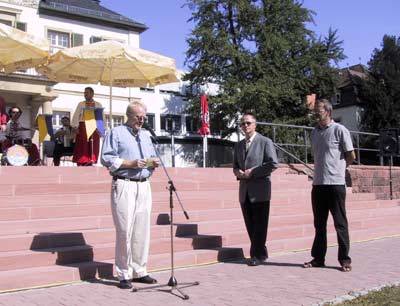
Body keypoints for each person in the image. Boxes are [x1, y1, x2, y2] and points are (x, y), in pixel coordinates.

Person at [101, 101, 160, 290]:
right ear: (129, 115)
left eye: (144, 117)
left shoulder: (145, 136)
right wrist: (131, 163)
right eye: (138, 117)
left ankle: (140, 270)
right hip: (124, 184)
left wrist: (153, 163)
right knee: (125, 230)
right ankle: (123, 273)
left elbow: (150, 157)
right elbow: (106, 158)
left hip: (144, 185)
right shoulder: (116, 133)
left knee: (142, 230)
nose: (141, 121)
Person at [304, 99, 355, 272]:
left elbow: (351, 155)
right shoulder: (314, 132)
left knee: (340, 223)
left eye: (318, 110)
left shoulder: (340, 130)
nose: (316, 113)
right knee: (319, 224)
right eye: (315, 110)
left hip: (335, 184)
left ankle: (345, 259)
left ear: (328, 111)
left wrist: (339, 170)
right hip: (318, 184)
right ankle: (318, 258)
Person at [233, 112, 279, 266]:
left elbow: (273, 163)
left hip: (260, 190)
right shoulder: (238, 145)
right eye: (242, 124)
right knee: (250, 224)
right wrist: (238, 173)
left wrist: (253, 172)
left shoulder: (265, 141)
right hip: (244, 190)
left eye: (248, 123)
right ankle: (261, 251)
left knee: (260, 224)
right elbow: (235, 166)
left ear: (255, 124)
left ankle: (256, 255)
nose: (245, 126)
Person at [72, 87, 102, 166]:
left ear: (92, 94)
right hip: (83, 125)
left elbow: (101, 117)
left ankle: (92, 160)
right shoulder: (81, 104)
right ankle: (82, 161)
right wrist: (75, 127)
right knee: (83, 144)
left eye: (87, 92)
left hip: (94, 126)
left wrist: (101, 129)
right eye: (85, 93)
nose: (85, 94)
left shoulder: (98, 104)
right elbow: (76, 115)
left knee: (93, 144)